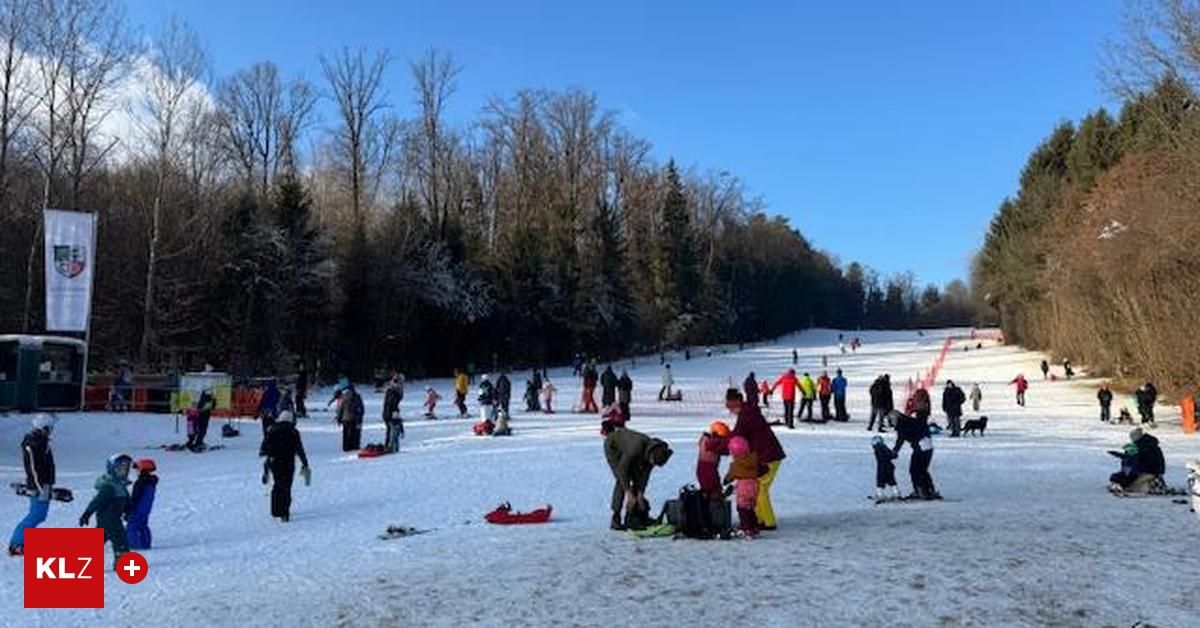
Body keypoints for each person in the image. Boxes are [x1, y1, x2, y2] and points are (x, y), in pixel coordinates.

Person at [727, 388, 786, 530]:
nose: (729, 409)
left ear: (736, 401)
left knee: (761, 488)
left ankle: (768, 521)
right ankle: (760, 519)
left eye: (729, 406)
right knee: (758, 487)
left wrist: (718, 442)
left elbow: (737, 435)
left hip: (768, 456)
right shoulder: (749, 412)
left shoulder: (746, 415)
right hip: (766, 454)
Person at [604, 427, 673, 530]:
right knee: (622, 481)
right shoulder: (635, 448)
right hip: (613, 446)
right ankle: (616, 517)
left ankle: (634, 516)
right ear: (650, 455)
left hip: (631, 450)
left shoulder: (655, 453)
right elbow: (622, 470)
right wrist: (628, 492)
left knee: (637, 479)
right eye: (652, 462)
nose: (651, 465)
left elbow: (644, 476)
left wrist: (640, 494)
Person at [9, 415, 57, 556]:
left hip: (43, 484)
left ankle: (21, 541)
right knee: (36, 514)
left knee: (39, 515)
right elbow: (33, 467)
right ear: (44, 428)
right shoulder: (34, 443)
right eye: (50, 428)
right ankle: (16, 544)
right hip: (38, 485)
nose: (51, 431)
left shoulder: (41, 441)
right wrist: (40, 487)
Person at [80, 454, 132, 568]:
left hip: (111, 518)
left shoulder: (120, 485)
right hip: (109, 519)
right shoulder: (109, 487)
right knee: (120, 540)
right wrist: (87, 513)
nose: (122, 472)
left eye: (125, 469)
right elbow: (97, 501)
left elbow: (126, 500)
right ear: (112, 469)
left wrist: (128, 511)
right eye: (119, 469)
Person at [259, 411, 310, 522]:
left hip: (275, 461)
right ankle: (285, 512)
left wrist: (267, 455)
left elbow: (264, 447)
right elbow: (299, 449)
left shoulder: (272, 430)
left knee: (277, 484)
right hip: (288, 461)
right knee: (287, 486)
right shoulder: (293, 431)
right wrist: (305, 463)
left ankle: (275, 510)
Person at [892, 410, 939, 500]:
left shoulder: (902, 424)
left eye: (891, 419)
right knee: (922, 470)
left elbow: (900, 439)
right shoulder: (909, 420)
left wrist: (895, 451)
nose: (891, 422)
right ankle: (929, 490)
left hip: (921, 446)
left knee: (915, 470)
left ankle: (920, 491)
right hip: (928, 445)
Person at [1109, 427, 1165, 495]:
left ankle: (1149, 486)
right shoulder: (1148, 445)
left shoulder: (1143, 447)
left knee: (1130, 484)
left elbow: (1138, 460)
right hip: (1154, 470)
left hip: (1148, 471)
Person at [724, 436, 760, 538]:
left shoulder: (736, 464)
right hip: (754, 485)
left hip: (743, 487)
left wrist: (726, 480)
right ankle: (754, 527)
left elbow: (730, 476)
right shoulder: (754, 458)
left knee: (742, 508)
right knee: (750, 508)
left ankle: (746, 528)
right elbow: (763, 469)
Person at [125, 459, 158, 550]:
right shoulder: (151, 482)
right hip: (146, 509)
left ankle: (133, 545)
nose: (136, 472)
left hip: (138, 508)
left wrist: (129, 509)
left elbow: (135, 497)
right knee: (143, 525)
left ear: (143, 470)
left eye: (138, 469)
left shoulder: (140, 483)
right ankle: (145, 544)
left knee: (132, 526)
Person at [697, 421, 731, 498]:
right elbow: (725, 450)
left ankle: (709, 499)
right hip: (709, 470)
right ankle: (715, 501)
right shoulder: (712, 442)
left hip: (703, 469)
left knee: (708, 488)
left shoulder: (705, 439)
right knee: (714, 488)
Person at [871, 435, 901, 501]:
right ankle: (896, 493)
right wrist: (894, 454)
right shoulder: (883, 447)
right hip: (888, 466)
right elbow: (891, 455)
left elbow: (889, 455)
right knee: (891, 479)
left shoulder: (879, 448)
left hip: (883, 466)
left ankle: (880, 494)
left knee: (880, 480)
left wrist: (893, 455)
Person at [336, 383, 364, 451]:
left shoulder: (344, 397)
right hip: (355, 418)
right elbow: (361, 408)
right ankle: (354, 446)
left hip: (346, 418)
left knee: (346, 434)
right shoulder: (357, 396)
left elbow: (340, 409)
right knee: (355, 433)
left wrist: (339, 418)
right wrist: (360, 417)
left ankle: (346, 447)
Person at [382, 377, 405, 452]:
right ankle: (389, 446)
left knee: (392, 431)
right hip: (390, 414)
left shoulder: (393, 391)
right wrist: (394, 413)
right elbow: (392, 404)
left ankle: (390, 446)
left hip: (389, 413)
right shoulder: (392, 392)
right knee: (392, 431)